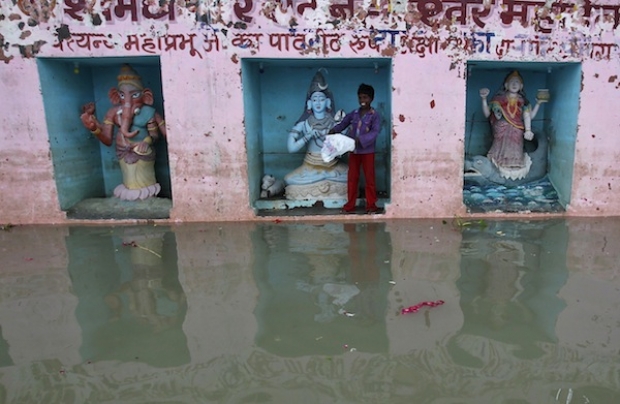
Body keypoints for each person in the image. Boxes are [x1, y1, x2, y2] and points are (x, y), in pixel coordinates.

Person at [284, 71, 348, 200]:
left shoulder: (335, 122)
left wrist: (343, 127)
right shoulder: (304, 124)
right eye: (314, 99)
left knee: (354, 176)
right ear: (309, 103)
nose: (318, 103)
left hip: (333, 165)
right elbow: (291, 148)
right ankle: (322, 176)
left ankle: (323, 176)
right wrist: (307, 136)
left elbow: (344, 146)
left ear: (328, 102)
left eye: (321, 99)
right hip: (310, 166)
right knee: (288, 179)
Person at [479, 70, 545, 181]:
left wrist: (538, 104)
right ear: (506, 85)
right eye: (512, 82)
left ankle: (514, 169)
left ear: (521, 86)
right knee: (500, 148)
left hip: (517, 129)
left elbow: (529, 116)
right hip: (501, 129)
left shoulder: (522, 101)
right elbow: (487, 114)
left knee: (515, 146)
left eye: (517, 83)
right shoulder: (498, 99)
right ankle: (498, 167)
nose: (514, 85)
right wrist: (484, 99)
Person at [329, 83, 381, 214]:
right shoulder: (354, 114)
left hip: (367, 151)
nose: (362, 101)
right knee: (352, 178)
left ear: (371, 99)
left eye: (365, 98)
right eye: (360, 97)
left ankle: (371, 205)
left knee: (370, 179)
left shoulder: (375, 116)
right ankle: (350, 205)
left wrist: (361, 140)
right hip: (353, 151)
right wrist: (334, 130)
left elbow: (375, 132)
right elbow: (343, 123)